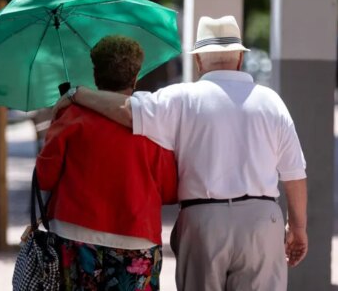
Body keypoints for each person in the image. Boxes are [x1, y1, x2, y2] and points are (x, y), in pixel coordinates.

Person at [54, 16, 308, 291]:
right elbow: (294, 173)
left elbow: (126, 109)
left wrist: (77, 95)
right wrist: (297, 228)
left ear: (198, 62)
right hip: (262, 221)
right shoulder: (271, 101)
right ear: (239, 60)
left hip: (203, 222)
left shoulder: (181, 98)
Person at [36, 35, 178, 290]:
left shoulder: (71, 116)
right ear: (135, 77)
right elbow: (169, 190)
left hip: (74, 233)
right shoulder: (153, 124)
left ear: (96, 74)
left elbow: (45, 177)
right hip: (136, 236)